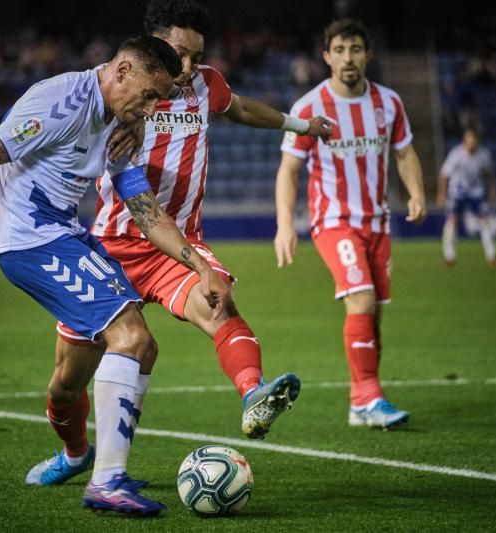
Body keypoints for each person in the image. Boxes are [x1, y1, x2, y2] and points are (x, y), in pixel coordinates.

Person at [0, 36, 229, 516]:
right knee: (131, 337)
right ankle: (108, 482)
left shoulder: (120, 122)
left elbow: (145, 211)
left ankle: (84, 457)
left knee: (131, 355)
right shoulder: (61, 102)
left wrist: (199, 264)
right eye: (151, 95)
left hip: (67, 235)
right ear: (122, 72)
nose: (154, 108)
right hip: (31, 241)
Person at [39, 0, 334, 485]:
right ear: (153, 47)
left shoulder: (205, 84)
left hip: (178, 246)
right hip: (110, 248)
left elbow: (239, 108)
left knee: (219, 302)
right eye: (179, 54)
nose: (188, 68)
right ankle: (75, 453)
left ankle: (253, 393)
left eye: (197, 56)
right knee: (66, 386)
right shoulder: (118, 91)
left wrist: (302, 125)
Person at [274, 19, 426, 430]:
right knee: (359, 298)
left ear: (367, 55)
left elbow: (405, 152)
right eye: (339, 50)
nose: (347, 57)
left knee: (372, 315)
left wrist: (416, 191)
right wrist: (285, 224)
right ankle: (370, 398)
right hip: (334, 221)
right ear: (326, 56)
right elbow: (289, 170)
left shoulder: (389, 103)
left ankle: (361, 403)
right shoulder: (309, 107)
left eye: (355, 49)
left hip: (378, 223)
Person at [437, 128, 496, 266]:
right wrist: (442, 194)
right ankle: (449, 256)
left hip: (476, 192)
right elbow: (444, 175)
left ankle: (492, 255)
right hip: (457, 192)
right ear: (464, 141)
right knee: (452, 221)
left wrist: (492, 188)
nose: (471, 143)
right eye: (469, 140)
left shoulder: (484, 154)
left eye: (474, 140)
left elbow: (488, 173)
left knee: (484, 221)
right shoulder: (456, 154)